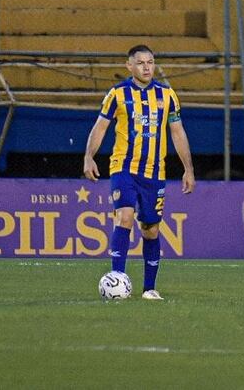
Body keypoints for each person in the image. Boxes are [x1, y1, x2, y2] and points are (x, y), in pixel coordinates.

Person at [83, 44, 195, 300]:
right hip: (124, 166)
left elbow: (177, 132)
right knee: (124, 216)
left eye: (150, 62)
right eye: (141, 62)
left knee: (150, 229)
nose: (147, 67)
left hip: (155, 172)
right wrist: (89, 156)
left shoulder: (167, 95)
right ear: (129, 66)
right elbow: (100, 127)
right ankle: (116, 280)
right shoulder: (117, 94)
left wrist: (188, 169)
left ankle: (149, 288)